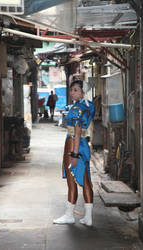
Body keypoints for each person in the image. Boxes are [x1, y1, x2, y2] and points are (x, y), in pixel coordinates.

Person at [53, 80, 95, 226]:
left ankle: (69, 215)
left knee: (72, 182)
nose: (72, 93)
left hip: (73, 144)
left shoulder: (77, 108)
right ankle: (88, 217)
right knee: (86, 181)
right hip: (84, 144)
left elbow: (76, 131)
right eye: (72, 90)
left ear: (83, 92)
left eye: (76, 90)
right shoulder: (89, 106)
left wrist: (74, 154)